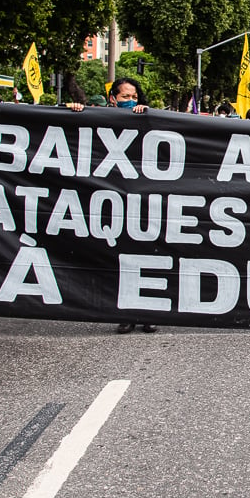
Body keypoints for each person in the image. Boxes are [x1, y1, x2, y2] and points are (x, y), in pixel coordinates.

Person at [106, 77, 155, 333]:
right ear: (113, 98)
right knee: (121, 258)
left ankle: (148, 313)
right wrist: (76, 111)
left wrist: (145, 116)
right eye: (125, 97)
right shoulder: (99, 119)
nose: (131, 101)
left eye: (134, 97)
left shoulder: (147, 119)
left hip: (144, 200)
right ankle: (126, 314)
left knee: (148, 256)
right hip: (115, 201)